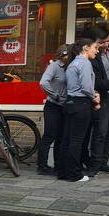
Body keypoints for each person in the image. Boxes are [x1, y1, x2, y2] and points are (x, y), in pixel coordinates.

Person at [58, 38, 101, 182]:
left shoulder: (72, 63)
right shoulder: (84, 63)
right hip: (81, 104)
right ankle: (74, 174)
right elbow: (86, 86)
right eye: (95, 47)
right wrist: (94, 97)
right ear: (85, 48)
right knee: (76, 141)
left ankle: (63, 172)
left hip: (70, 103)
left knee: (67, 140)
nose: (97, 50)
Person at [85, 25, 109, 176]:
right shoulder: (92, 56)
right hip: (101, 96)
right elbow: (96, 82)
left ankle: (103, 162)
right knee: (100, 132)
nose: (106, 44)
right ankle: (94, 165)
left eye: (108, 41)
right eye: (103, 42)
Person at [38, 44, 71, 175]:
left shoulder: (70, 67)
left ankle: (58, 165)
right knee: (49, 136)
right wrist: (55, 95)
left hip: (65, 106)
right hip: (53, 106)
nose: (69, 57)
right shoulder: (55, 66)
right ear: (61, 55)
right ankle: (42, 166)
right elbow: (43, 82)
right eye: (67, 55)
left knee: (61, 137)